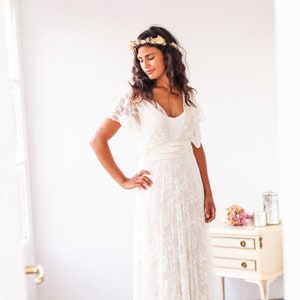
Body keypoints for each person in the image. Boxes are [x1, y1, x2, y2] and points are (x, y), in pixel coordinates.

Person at [90, 25, 219, 300]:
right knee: (162, 255)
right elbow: (98, 140)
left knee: (191, 252)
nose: (144, 64)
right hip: (156, 189)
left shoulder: (187, 95)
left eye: (150, 57)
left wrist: (208, 192)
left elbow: (196, 146)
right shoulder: (135, 98)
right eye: (140, 60)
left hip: (189, 186)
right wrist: (123, 180)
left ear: (167, 55)